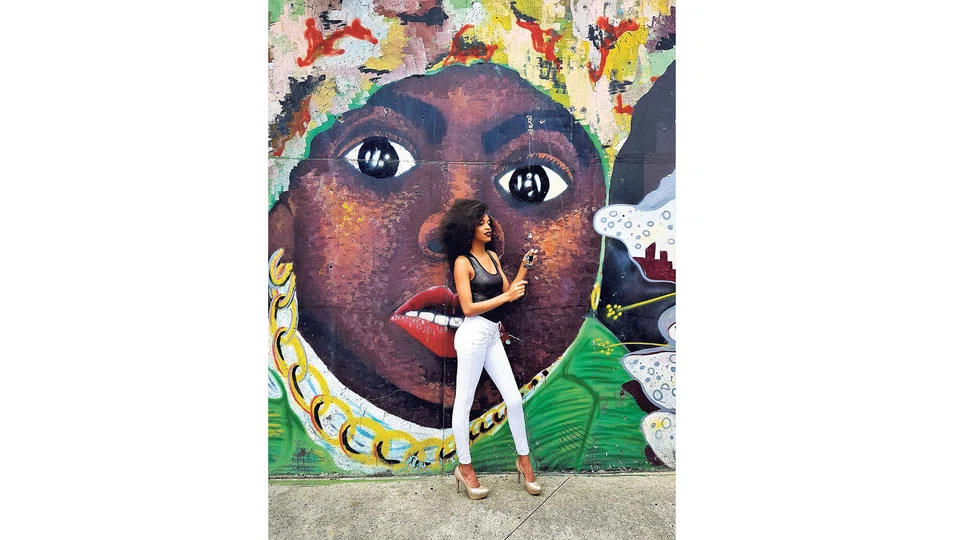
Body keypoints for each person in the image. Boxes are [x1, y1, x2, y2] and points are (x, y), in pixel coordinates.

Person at [268, 63, 607, 430]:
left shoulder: (612, 415)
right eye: (379, 158)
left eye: (532, 182)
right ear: (283, 210)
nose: (453, 233)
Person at [440, 198, 541, 499]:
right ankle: (465, 468)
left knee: (514, 399)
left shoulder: (494, 257)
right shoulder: (462, 263)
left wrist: (524, 268)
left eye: (488, 222)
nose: (488, 227)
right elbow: (468, 308)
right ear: (467, 227)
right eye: (481, 222)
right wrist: (505, 298)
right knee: (464, 404)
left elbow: (510, 292)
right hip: (472, 335)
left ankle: (524, 461)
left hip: (492, 335)